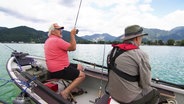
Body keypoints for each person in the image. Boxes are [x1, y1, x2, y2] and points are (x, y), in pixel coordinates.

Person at [106, 25, 160, 104]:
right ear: (137, 38)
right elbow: (146, 84)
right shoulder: (141, 55)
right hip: (129, 99)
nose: (141, 40)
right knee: (155, 93)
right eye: (141, 38)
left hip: (112, 93)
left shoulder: (112, 51)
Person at [44, 23, 85, 99]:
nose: (61, 30)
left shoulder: (49, 40)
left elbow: (62, 48)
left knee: (80, 66)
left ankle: (72, 87)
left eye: (61, 29)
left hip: (55, 68)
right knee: (82, 75)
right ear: (53, 32)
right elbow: (73, 47)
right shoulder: (57, 40)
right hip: (59, 69)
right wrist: (72, 35)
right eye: (58, 29)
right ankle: (65, 92)